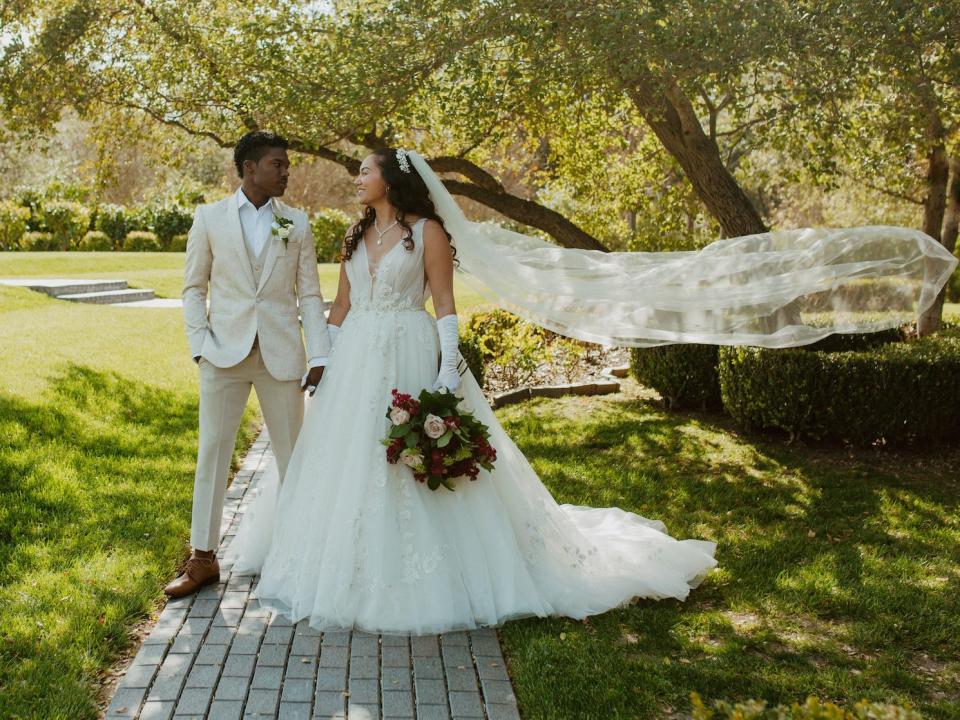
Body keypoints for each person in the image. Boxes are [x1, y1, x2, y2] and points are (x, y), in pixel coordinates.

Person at [226, 148, 718, 634]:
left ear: (391, 180)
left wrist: (446, 371)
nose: (357, 180)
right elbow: (340, 304)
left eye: (364, 172)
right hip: (355, 358)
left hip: (408, 353)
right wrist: (324, 358)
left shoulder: (427, 232)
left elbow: (444, 303)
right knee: (350, 459)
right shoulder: (355, 235)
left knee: (406, 456)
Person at [165, 131, 332, 599]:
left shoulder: (296, 223)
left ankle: (302, 556)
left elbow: (311, 295)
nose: (286, 172)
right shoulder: (209, 218)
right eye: (278, 164)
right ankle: (203, 559)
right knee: (212, 453)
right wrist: (199, 343)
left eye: (286, 164)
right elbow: (193, 287)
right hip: (223, 355)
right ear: (250, 168)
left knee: (293, 459)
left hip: (282, 358)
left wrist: (319, 354)